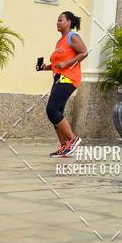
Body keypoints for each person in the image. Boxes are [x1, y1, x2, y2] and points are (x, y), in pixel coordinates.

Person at [40, 11, 87, 157]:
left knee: (52, 110)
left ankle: (73, 140)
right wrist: (46, 67)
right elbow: (57, 63)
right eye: (57, 20)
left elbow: (84, 53)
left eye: (60, 20)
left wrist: (67, 63)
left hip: (68, 78)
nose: (57, 22)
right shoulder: (60, 41)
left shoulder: (73, 37)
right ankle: (64, 146)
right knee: (57, 112)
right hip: (59, 77)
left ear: (69, 22)